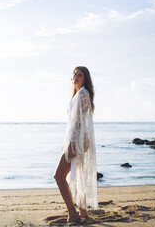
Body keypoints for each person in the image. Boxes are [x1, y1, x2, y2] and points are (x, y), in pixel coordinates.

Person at [53, 66, 98, 223]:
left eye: (80, 75)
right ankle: (83, 213)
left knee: (58, 176)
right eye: (74, 74)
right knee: (78, 175)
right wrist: (67, 141)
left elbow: (79, 122)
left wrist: (72, 143)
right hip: (76, 139)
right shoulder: (78, 94)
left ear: (85, 78)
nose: (76, 77)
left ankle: (73, 214)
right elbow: (73, 122)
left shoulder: (83, 94)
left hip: (77, 140)